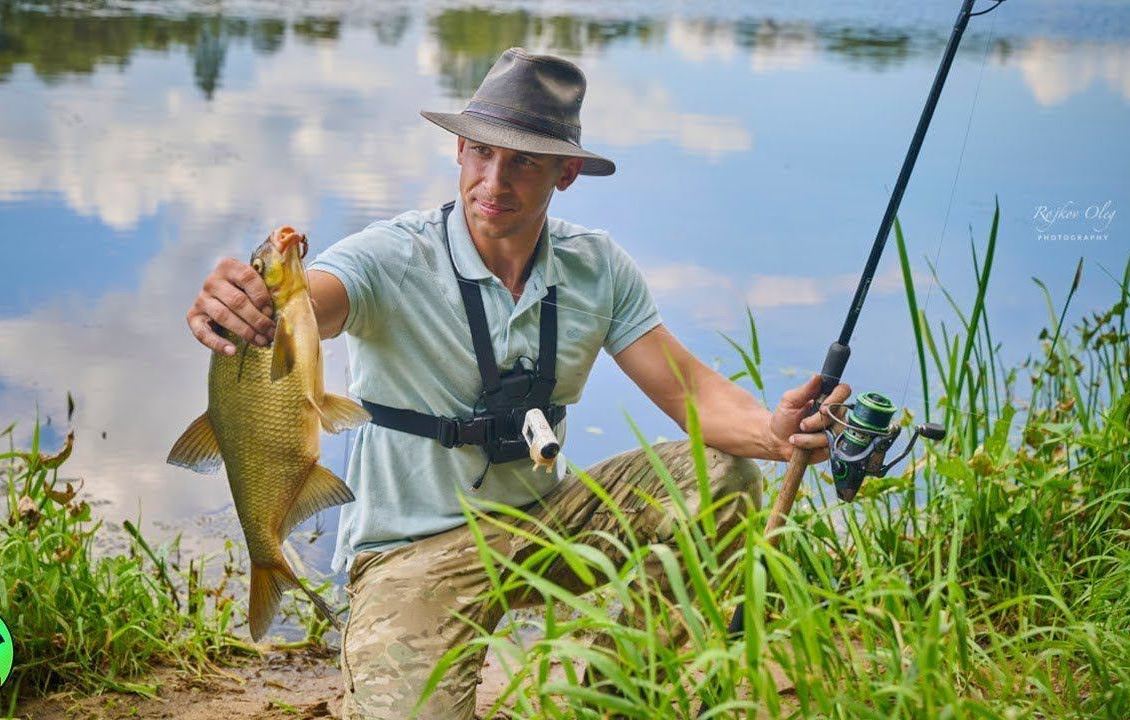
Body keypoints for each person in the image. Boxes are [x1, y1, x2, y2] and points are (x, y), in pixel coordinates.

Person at [186, 47, 851, 720]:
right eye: (481, 152)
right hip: (412, 552)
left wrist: (775, 432)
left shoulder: (597, 267)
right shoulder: (391, 255)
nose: (494, 181)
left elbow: (694, 395)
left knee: (725, 477)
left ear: (567, 173)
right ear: (458, 150)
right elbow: (316, 304)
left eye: (524, 161)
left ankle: (610, 693)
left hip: (544, 526)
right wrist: (245, 307)